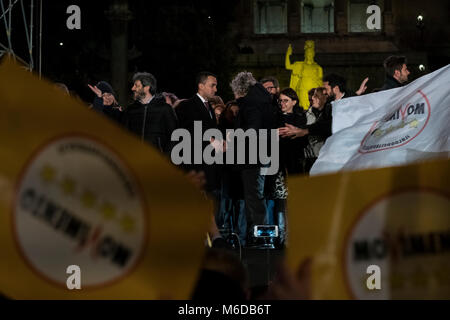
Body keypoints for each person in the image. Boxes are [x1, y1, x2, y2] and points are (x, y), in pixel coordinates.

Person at [230, 71, 275, 246]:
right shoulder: (263, 101)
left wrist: (234, 137)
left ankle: (262, 237)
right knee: (256, 197)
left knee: (254, 198)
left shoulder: (250, 103)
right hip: (261, 154)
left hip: (252, 156)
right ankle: (259, 235)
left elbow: (252, 128)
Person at [175, 71, 221, 193]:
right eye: (212, 85)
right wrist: (209, 140)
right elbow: (184, 132)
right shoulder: (187, 106)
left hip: (209, 167)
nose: (215, 89)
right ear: (201, 86)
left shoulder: (209, 107)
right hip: (195, 168)